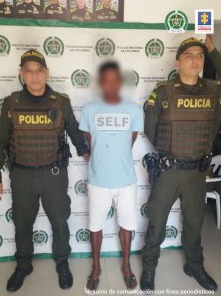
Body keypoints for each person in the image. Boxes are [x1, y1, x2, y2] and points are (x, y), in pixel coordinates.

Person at [0, 49, 89, 292]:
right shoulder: (11, 104)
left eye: (39, 71)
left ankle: (62, 262)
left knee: (59, 221)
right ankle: (24, 264)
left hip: (53, 175)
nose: (34, 76)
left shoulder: (60, 102)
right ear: (21, 74)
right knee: (23, 223)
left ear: (46, 73)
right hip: (22, 175)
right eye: (29, 71)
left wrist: (87, 153)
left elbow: (75, 132)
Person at [140, 38, 221, 292]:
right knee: (156, 221)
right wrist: (170, 151)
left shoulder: (213, 90)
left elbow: (214, 126)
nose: (195, 60)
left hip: (197, 171)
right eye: (189, 55)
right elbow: (150, 129)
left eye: (200, 55)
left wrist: (213, 50)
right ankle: (150, 267)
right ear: (178, 62)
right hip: (169, 171)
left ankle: (194, 265)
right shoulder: (164, 91)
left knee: (195, 222)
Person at [79, 61, 143, 292]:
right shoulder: (88, 110)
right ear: (100, 83)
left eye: (115, 79)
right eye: (105, 80)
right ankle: (96, 269)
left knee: (126, 225)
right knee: (95, 226)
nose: (110, 84)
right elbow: (88, 140)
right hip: (98, 181)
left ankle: (126, 267)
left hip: (126, 181)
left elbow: (131, 140)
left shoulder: (134, 110)